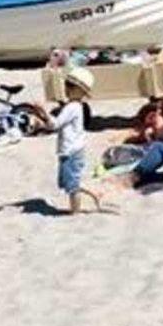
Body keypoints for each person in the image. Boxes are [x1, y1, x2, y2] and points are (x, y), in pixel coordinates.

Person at [49, 65, 110, 214]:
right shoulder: (77, 106)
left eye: (71, 86)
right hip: (74, 150)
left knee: (71, 185)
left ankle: (75, 212)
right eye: (67, 84)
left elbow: (55, 124)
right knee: (67, 182)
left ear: (80, 91)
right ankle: (93, 193)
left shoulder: (72, 107)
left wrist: (42, 114)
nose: (67, 88)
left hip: (71, 151)